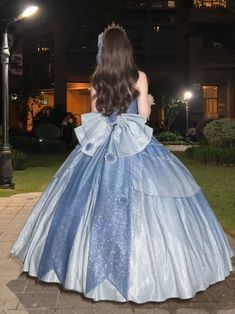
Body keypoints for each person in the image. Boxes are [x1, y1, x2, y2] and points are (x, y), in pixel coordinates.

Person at [11, 22, 233, 303]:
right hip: (135, 145)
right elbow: (142, 117)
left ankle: (81, 267)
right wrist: (147, 104)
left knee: (85, 200)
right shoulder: (139, 77)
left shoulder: (96, 80)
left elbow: (94, 117)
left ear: (104, 51)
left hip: (101, 146)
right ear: (125, 50)